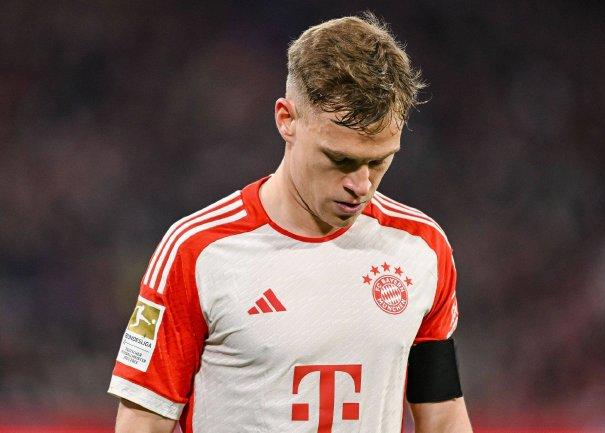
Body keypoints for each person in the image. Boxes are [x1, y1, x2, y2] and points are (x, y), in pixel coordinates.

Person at [109, 13, 473, 433]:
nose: (361, 185)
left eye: (379, 161)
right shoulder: (197, 251)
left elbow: (443, 416)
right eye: (340, 159)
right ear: (287, 119)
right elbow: (142, 422)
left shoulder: (420, 248)